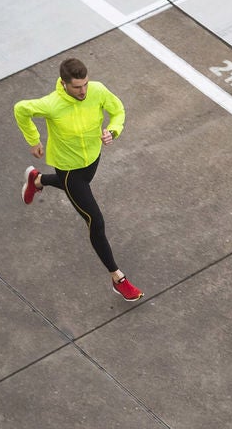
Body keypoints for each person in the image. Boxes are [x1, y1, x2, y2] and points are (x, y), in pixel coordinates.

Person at [15, 57, 141, 302]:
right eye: (77, 87)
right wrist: (33, 140)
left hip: (92, 159)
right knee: (95, 220)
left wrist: (113, 130)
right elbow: (21, 109)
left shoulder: (97, 90)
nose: (83, 91)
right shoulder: (51, 104)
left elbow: (118, 110)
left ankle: (36, 180)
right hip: (68, 168)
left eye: (85, 84)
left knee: (76, 190)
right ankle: (118, 278)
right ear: (63, 84)